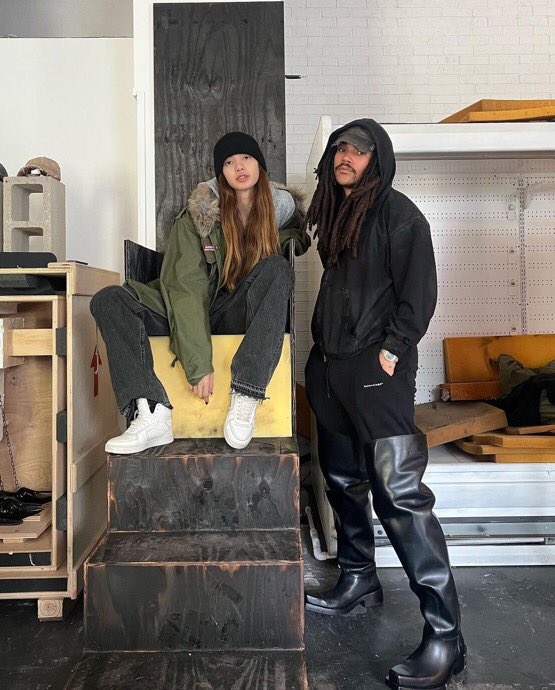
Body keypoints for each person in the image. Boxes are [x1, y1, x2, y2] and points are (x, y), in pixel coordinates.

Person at [303, 119, 465, 690]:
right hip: (331, 371)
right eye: (339, 148)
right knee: (343, 480)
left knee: (400, 497)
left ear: (378, 159)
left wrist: (392, 353)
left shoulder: (401, 216)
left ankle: (445, 636)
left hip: (377, 373)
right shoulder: (338, 213)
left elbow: (419, 295)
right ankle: (358, 579)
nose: (344, 156)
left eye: (357, 150)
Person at [91, 132, 309, 454]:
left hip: (236, 310)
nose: (239, 167)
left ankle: (247, 391)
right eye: (229, 162)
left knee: (278, 268)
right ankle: (152, 412)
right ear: (220, 173)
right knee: (108, 300)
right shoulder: (196, 221)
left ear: (260, 166)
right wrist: (198, 364)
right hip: (194, 309)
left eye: (246, 158)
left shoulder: (279, 216)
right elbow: (186, 289)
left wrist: (292, 240)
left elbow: (293, 242)